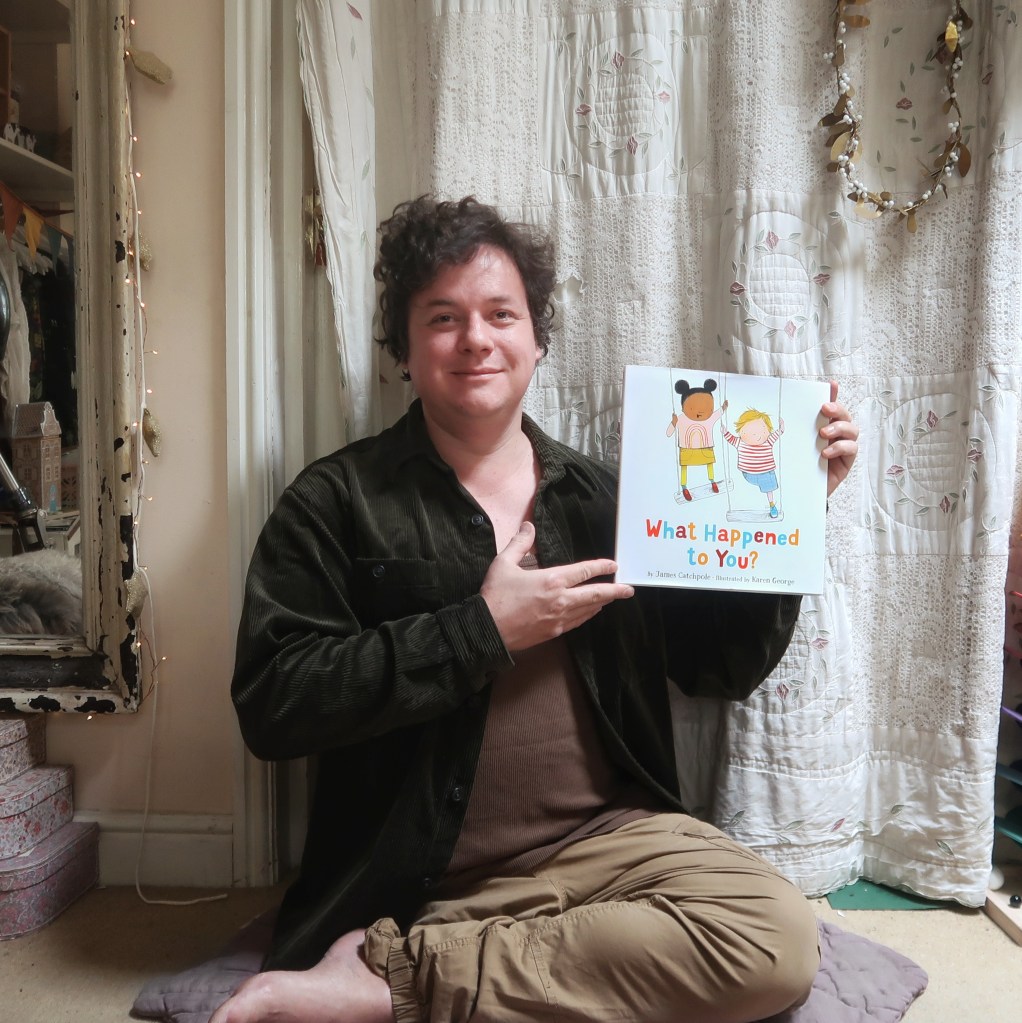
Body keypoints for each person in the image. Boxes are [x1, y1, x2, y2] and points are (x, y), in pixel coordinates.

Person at [212, 196, 859, 1023]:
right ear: (403, 349)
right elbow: (275, 704)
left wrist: (793, 516)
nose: (475, 338)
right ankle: (444, 964)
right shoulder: (335, 501)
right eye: (442, 317)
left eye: (500, 313)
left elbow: (720, 666)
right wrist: (479, 631)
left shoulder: (612, 497)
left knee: (775, 935)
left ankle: (393, 984)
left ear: (537, 337)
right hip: (421, 877)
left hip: (610, 850)